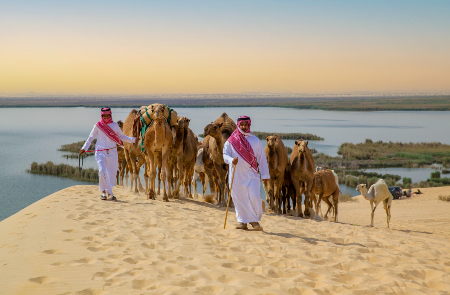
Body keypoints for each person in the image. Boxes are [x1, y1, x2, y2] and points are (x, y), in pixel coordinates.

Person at [79, 107, 138, 201]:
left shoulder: (115, 125)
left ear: (110, 115)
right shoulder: (98, 126)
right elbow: (91, 137)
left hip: (112, 152)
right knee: (101, 172)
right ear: (101, 115)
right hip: (100, 152)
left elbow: (121, 136)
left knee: (111, 174)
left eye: (108, 115)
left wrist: (133, 140)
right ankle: (103, 192)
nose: (106, 117)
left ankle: (109, 193)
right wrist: (84, 148)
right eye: (104, 116)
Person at [223, 116, 270, 230]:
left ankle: (254, 220)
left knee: (254, 197)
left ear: (249, 125)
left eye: (246, 125)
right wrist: (231, 160)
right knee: (239, 198)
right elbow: (225, 155)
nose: (244, 127)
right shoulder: (231, 141)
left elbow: (262, 158)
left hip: (252, 175)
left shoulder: (255, 140)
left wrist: (265, 175)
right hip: (236, 175)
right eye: (242, 125)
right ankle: (243, 222)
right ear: (238, 125)